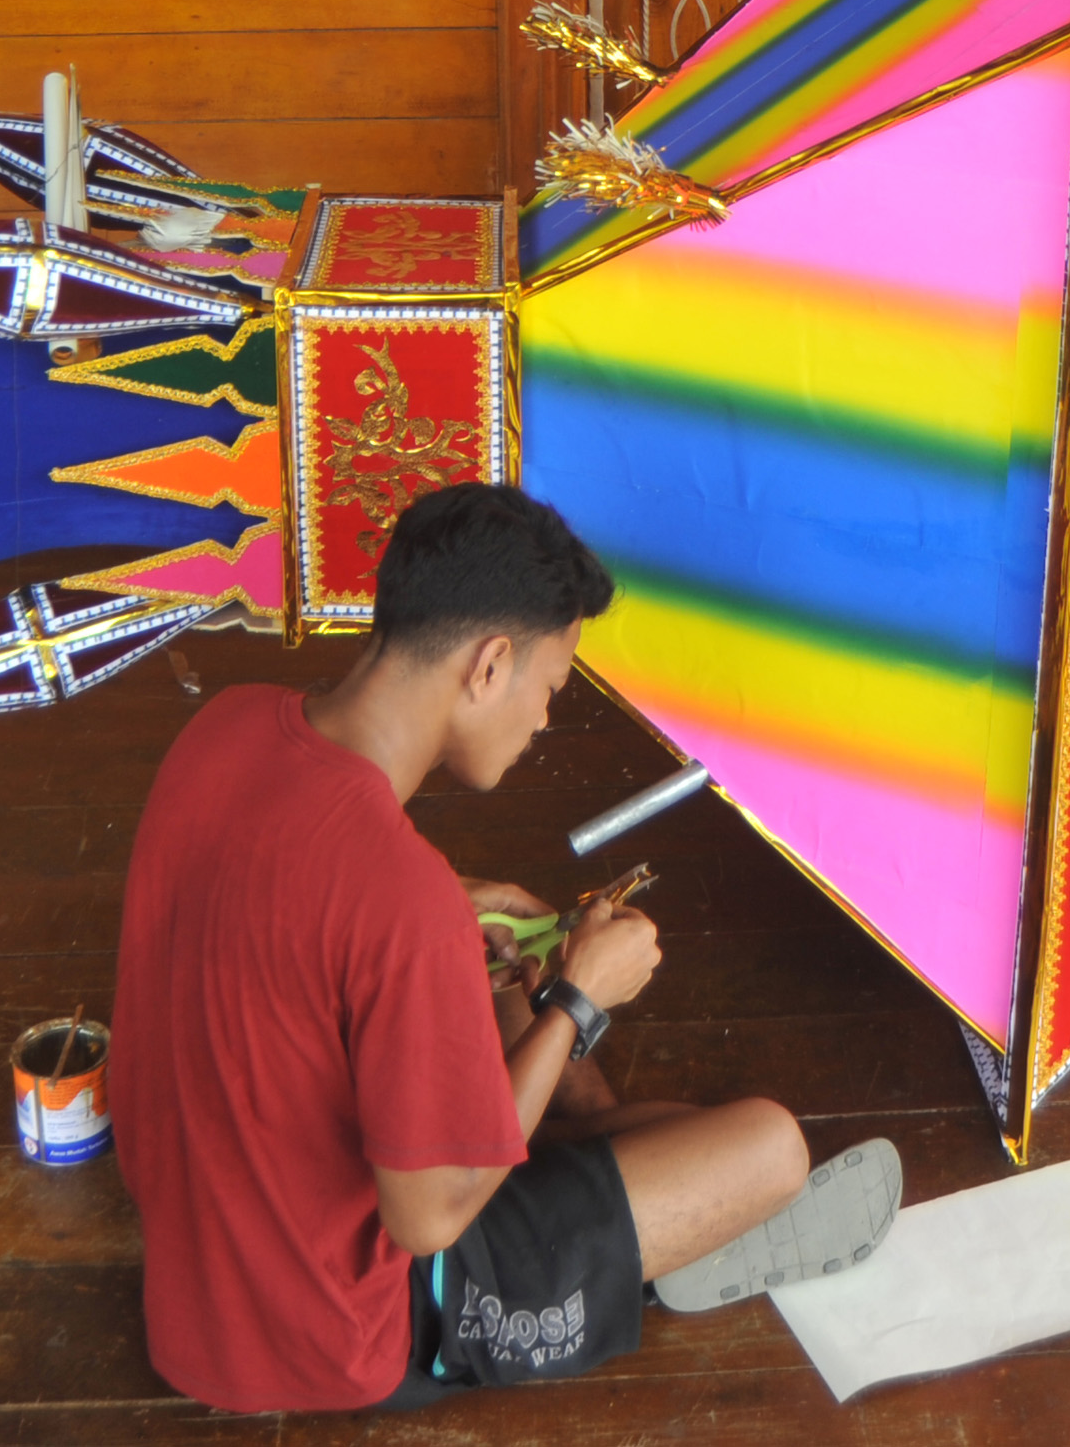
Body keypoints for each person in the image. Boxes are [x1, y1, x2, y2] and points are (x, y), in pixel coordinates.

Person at [113, 482, 898, 1414]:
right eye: (550, 686)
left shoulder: (228, 724)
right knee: (768, 1150)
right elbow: (429, 1214)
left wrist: (452, 916)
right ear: (489, 665)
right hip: (340, 1329)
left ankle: (621, 1206)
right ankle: (647, 1256)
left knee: (624, 1102)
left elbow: (287, 884)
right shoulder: (400, 900)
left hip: (198, 1277)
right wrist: (579, 999)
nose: (544, 721)